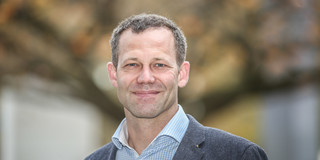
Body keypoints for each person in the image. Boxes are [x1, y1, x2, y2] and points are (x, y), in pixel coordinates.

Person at [85, 13, 268, 160]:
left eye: (160, 65)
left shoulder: (238, 155)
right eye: (132, 64)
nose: (145, 78)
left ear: (182, 74)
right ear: (113, 74)